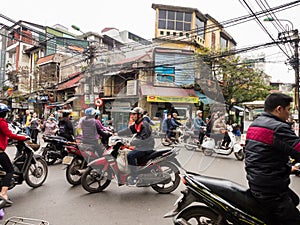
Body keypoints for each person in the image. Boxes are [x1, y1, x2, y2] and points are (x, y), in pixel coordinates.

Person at [245, 93, 300, 225]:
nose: (289, 114)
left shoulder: (255, 124)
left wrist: (288, 168)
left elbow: (263, 155)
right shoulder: (278, 128)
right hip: (271, 189)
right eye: (288, 110)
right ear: (279, 109)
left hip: (257, 182)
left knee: (294, 200)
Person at [117, 107, 155, 185]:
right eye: (132, 114)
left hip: (146, 147)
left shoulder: (144, 124)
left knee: (130, 155)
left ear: (140, 115)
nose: (132, 116)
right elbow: (128, 130)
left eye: (134, 114)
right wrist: (117, 133)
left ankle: (135, 177)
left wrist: (131, 143)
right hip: (142, 146)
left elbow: (144, 138)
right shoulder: (137, 124)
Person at [0, 103, 27, 204]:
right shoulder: (2, 122)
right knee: (10, 170)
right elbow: (9, 134)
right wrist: (23, 138)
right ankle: (3, 193)